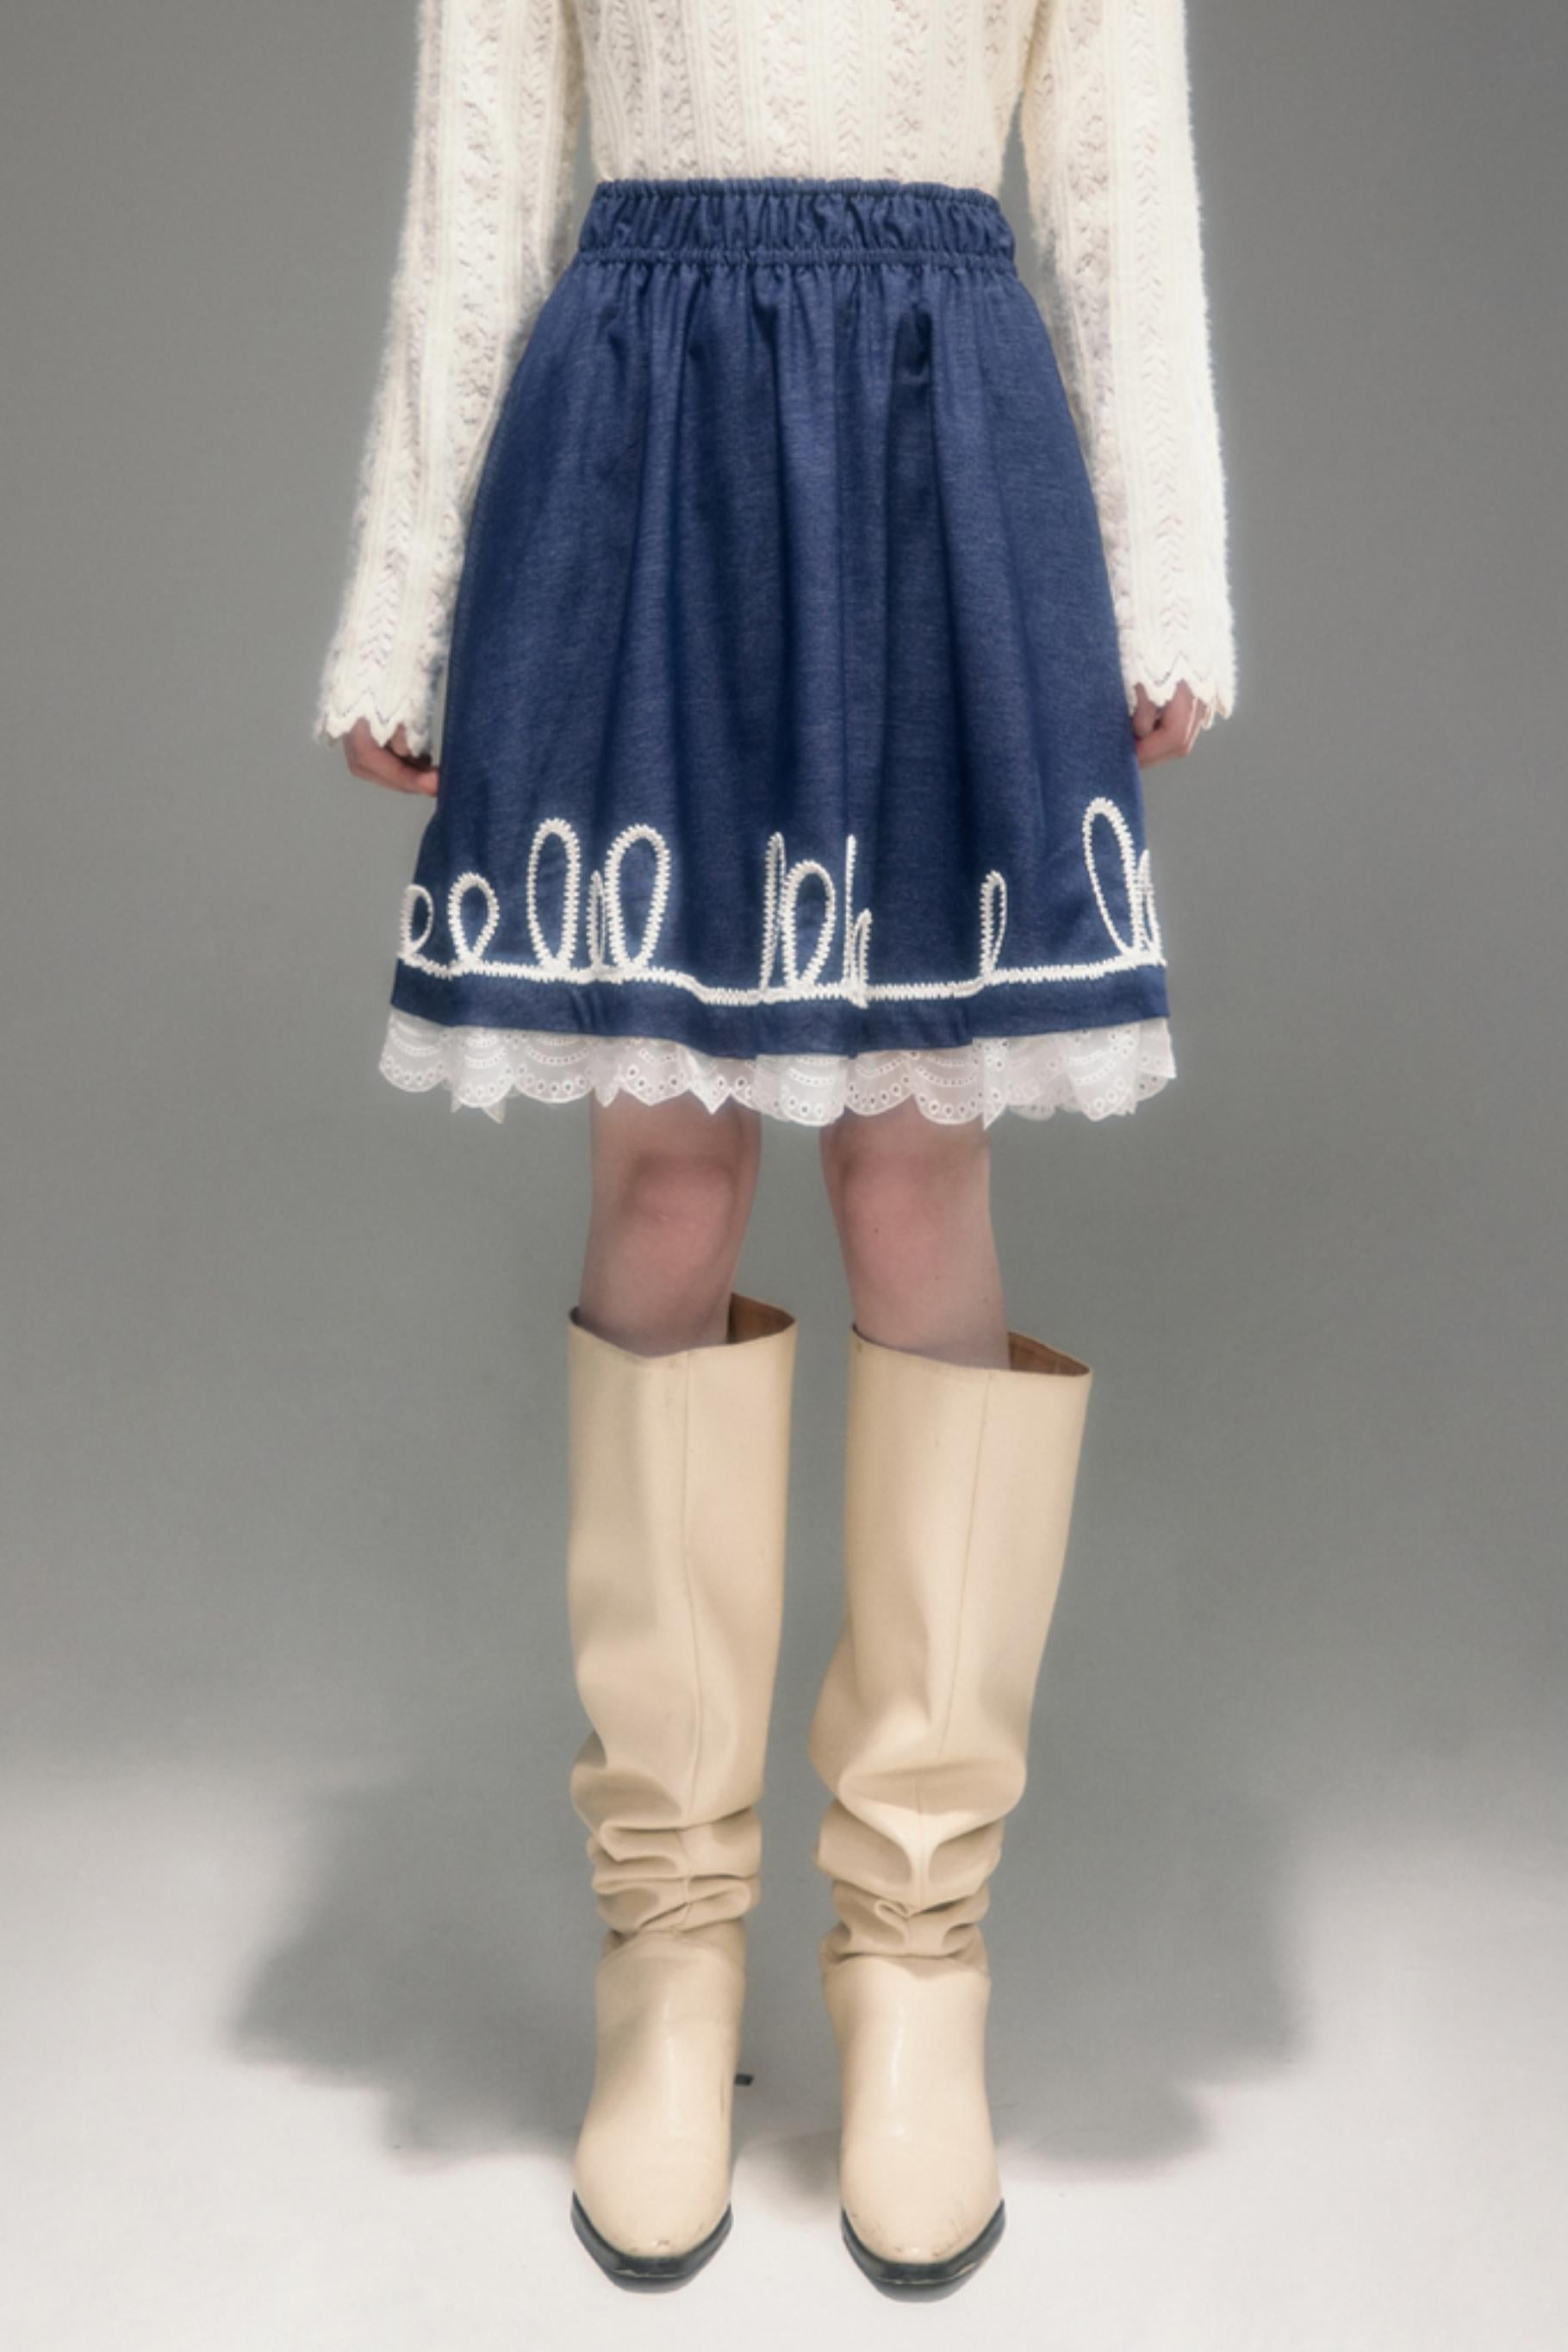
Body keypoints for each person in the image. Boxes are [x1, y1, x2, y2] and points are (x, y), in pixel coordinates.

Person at [313, 0, 1235, 2299]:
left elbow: (1117, 167)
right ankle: (669, 1946)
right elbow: (481, 172)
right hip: (645, 445)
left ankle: (917, 1952)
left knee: (915, 1175)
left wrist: (1163, 569)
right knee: (664, 1177)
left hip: (942, 436)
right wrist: (408, 598)